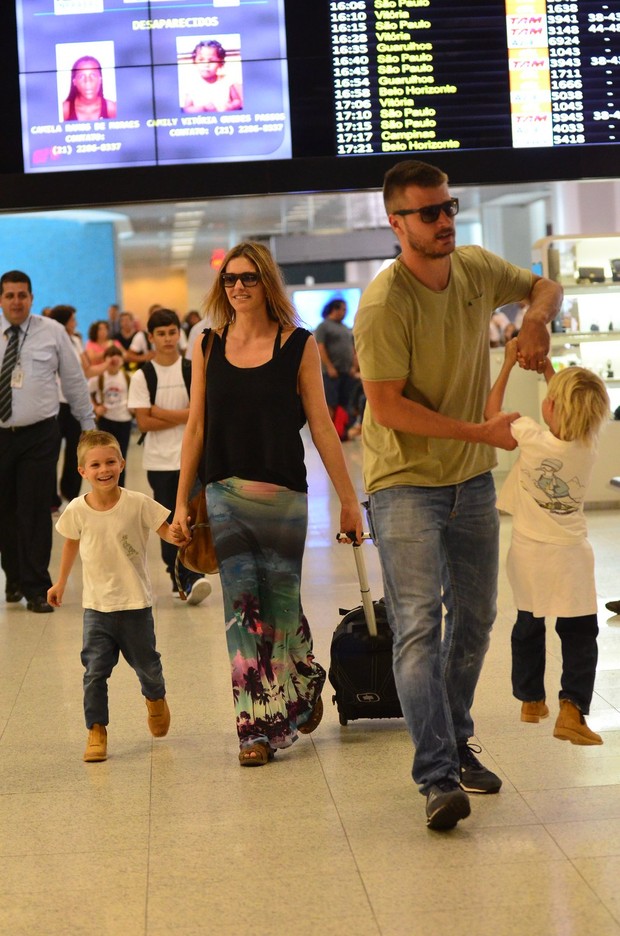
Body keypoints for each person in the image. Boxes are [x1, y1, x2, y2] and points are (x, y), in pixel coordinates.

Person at [352, 160, 563, 831]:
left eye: (448, 207)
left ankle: (456, 734)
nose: (444, 221)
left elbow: (545, 285)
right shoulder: (385, 304)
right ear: (397, 223)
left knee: (475, 617)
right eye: (428, 213)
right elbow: (387, 408)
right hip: (404, 481)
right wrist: (478, 430)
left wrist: (535, 320)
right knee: (419, 624)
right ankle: (437, 776)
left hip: (470, 477)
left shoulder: (472, 266)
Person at [171, 241, 362, 766]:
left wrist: (349, 501)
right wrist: (181, 502)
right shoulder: (207, 345)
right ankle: (255, 728)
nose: (237, 287)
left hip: (282, 494)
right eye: (230, 279)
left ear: (266, 283)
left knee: (279, 609)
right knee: (242, 611)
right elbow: (196, 427)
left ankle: (302, 677)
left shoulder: (298, 344)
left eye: (248, 278)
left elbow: (322, 425)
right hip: (224, 491)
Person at [486, 343, 609, 745]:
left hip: (527, 552)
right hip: (571, 556)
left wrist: (506, 365)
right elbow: (567, 402)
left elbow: (491, 414)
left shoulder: (531, 436)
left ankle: (531, 700)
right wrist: (547, 369)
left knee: (528, 625)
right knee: (578, 634)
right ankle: (571, 710)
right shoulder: (588, 447)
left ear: (551, 407)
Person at [47, 430, 175, 762]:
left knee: (148, 665)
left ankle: (155, 698)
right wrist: (59, 583)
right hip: (97, 608)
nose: (104, 469)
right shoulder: (77, 509)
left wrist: (180, 535)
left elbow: (165, 530)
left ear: (121, 463)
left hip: (135, 604)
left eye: (110, 462)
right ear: (82, 472)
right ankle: (96, 730)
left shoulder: (137, 503)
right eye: (95, 464)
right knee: (94, 672)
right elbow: (71, 542)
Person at [0, 271, 95, 613]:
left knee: (35, 509)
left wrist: (88, 425)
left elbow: (74, 381)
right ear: (1, 298)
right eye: (9, 295)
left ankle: (38, 586)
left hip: (39, 434)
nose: (16, 301)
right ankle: (13, 578)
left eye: (22, 295)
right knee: (5, 511)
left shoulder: (52, 332)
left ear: (32, 297)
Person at [127, 308, 211, 606]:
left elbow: (202, 415)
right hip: (159, 461)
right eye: (160, 334)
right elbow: (144, 422)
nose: (167, 338)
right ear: (150, 337)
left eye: (172, 332)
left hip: (193, 458)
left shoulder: (193, 369)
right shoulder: (142, 376)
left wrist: (160, 411)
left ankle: (191, 575)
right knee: (168, 521)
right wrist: (185, 416)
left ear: (180, 334)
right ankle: (181, 576)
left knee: (195, 517)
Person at [49, 304, 105, 508]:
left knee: (75, 450)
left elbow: (85, 371)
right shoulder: (49, 341)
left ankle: (69, 492)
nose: (76, 324)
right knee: (50, 452)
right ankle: (51, 498)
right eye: (73, 320)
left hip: (73, 404)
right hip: (54, 404)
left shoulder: (75, 341)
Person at [314, 298, 361, 435]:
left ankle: (342, 431)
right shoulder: (324, 326)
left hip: (347, 372)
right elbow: (320, 347)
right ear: (334, 309)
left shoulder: (345, 328)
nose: (345, 312)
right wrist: (329, 367)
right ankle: (329, 433)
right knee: (331, 402)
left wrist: (354, 366)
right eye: (343, 309)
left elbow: (352, 348)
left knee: (347, 403)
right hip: (332, 373)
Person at [89, 345, 133, 486]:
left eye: (117, 357)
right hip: (106, 421)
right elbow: (86, 394)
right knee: (104, 456)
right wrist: (96, 407)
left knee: (121, 457)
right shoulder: (99, 378)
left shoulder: (127, 377)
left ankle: (120, 489)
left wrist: (133, 408)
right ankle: (105, 486)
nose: (114, 360)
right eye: (110, 357)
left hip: (124, 421)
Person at [182, 39, 243, 113]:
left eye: (211, 61)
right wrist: (203, 108)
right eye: (201, 60)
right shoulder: (192, 84)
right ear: (195, 62)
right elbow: (187, 109)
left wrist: (230, 107)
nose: (206, 65)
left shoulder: (227, 81)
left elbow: (237, 101)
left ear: (220, 63)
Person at [63, 55, 117, 123]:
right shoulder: (64, 110)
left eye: (93, 75)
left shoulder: (112, 109)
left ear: (100, 79)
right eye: (81, 76)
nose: (88, 81)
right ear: (74, 81)